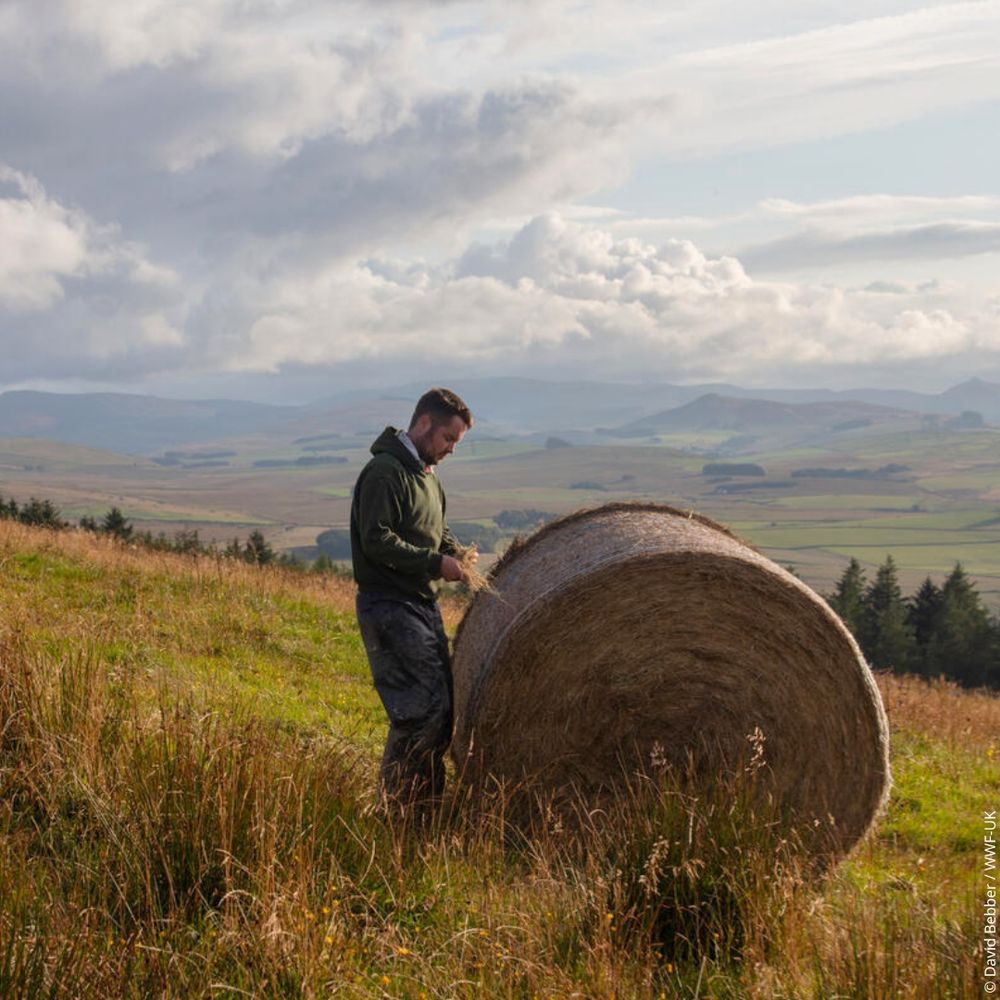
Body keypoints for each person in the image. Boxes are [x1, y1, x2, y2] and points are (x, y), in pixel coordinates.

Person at [349, 387, 474, 816]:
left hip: (419, 604)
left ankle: (425, 805)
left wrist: (457, 554)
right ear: (424, 425)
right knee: (417, 712)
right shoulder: (385, 472)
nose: (450, 450)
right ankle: (399, 811)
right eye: (448, 440)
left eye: (455, 443)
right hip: (389, 606)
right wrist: (436, 564)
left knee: (440, 707)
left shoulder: (426, 475)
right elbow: (377, 539)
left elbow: (433, 532)